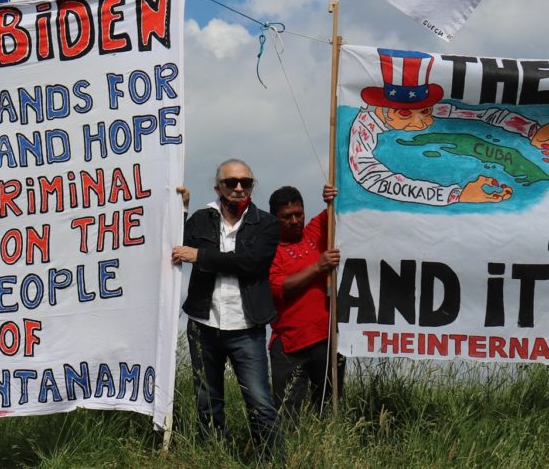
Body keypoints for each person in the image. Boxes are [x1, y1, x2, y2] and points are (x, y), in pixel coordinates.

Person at [172, 159, 280, 458]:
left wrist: (201, 256)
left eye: (245, 182)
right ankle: (215, 457)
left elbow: (251, 262)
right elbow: (176, 247)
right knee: (207, 401)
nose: (238, 187)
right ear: (218, 186)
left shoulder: (267, 223)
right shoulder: (200, 218)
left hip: (247, 326)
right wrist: (180, 209)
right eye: (231, 182)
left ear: (252, 185)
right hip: (203, 323)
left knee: (260, 401)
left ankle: (272, 461)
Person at [348, 48, 549, 206]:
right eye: (404, 114)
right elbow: (371, 177)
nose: (422, 122)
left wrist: (530, 129)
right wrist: (456, 195)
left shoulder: (435, 107)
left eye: (425, 112)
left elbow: (485, 113)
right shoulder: (363, 127)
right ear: (381, 108)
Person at [268, 185, 343, 419]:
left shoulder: (314, 232)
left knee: (329, 407)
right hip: (290, 343)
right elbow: (280, 288)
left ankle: (328, 452)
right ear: (274, 218)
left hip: (326, 336)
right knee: (287, 413)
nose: (294, 221)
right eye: (286, 217)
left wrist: (330, 196)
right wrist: (317, 267)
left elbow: (339, 208)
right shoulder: (269, 250)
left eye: (298, 214)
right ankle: (288, 455)